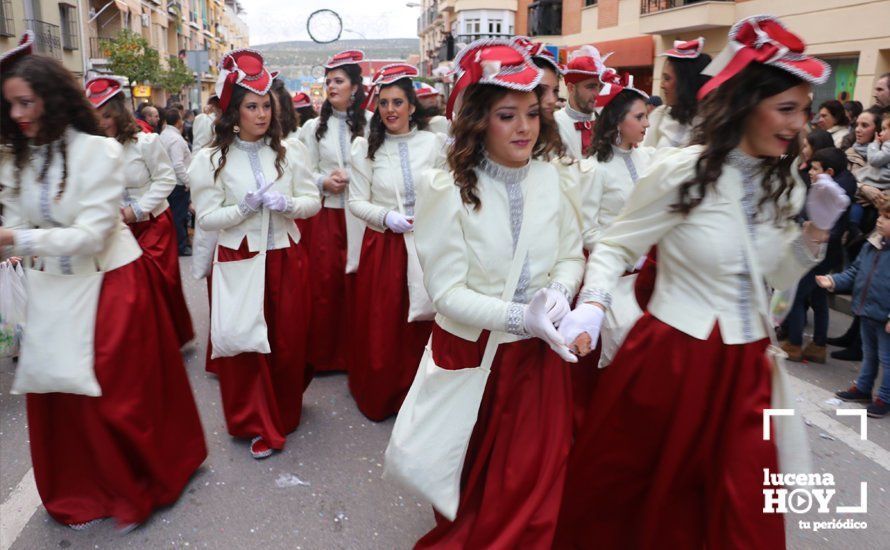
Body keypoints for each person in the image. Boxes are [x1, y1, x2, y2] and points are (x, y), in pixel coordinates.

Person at [554, 16, 848, 548]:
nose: (798, 123)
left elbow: (777, 284)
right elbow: (618, 245)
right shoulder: (679, 171)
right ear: (744, 104)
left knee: (744, 519)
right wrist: (593, 305)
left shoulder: (784, 185)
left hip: (748, 373)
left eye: (804, 109)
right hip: (671, 364)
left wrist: (816, 232)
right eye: (787, 108)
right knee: (637, 503)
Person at [0, 32, 206, 530]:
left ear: (52, 99)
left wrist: (16, 240)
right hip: (52, 289)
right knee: (60, 397)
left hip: (112, 284)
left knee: (117, 398)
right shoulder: (19, 160)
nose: (19, 114)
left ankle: (139, 480)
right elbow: (12, 214)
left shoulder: (99, 152)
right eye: (10, 105)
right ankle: (82, 485)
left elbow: (92, 236)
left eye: (26, 102)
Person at [412, 38, 584, 548]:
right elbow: (446, 293)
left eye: (533, 113)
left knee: (534, 486)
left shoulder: (557, 179)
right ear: (479, 120)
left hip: (540, 357)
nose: (525, 127)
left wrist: (557, 294)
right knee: (471, 483)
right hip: (475, 355)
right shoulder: (447, 189)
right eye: (508, 115)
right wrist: (520, 318)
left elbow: (572, 255)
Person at [190, 49, 321, 460]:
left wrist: (290, 206)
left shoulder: (291, 150)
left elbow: (312, 200)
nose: (262, 114)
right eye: (252, 106)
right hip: (240, 258)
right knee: (247, 346)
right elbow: (207, 218)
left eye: (266, 106)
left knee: (288, 340)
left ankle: (283, 411)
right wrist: (243, 208)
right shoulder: (210, 159)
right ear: (234, 110)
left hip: (286, 256)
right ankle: (256, 421)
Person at [347, 64, 445, 421]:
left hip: (425, 242)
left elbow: (448, 187)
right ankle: (382, 392)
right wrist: (385, 217)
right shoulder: (366, 149)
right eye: (384, 103)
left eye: (398, 102)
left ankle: (421, 396)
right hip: (385, 247)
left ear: (412, 106)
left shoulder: (432, 143)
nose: (390, 110)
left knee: (426, 319)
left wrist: (433, 216)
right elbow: (356, 201)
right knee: (384, 323)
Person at [564, 70, 654, 429]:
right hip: (610, 275)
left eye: (648, 116)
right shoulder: (594, 168)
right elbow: (586, 229)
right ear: (618, 121)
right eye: (640, 116)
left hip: (647, 274)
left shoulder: (647, 159)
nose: (647, 124)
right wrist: (628, 253)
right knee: (610, 354)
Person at [86, 77, 194, 347]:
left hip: (154, 226)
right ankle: (144, 344)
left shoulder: (146, 143)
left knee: (157, 283)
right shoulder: (92, 150)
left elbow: (166, 179)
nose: (103, 123)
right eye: (97, 117)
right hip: (117, 230)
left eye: (108, 116)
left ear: (120, 114)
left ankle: (167, 339)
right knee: (126, 290)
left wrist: (137, 209)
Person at [298, 50, 370, 373]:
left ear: (355, 86)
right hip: (327, 215)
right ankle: (327, 356)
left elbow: (378, 167)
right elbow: (301, 171)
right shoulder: (314, 128)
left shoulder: (372, 124)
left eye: (338, 81)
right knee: (326, 284)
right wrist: (323, 181)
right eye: (328, 81)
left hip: (363, 215)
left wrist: (353, 178)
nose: (331, 86)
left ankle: (357, 352)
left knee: (359, 284)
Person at [782, 147, 856, 363]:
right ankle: (818, 345)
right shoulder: (832, 188)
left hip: (816, 255)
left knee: (796, 297)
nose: (811, 173)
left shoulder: (831, 195)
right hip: (820, 254)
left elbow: (830, 231)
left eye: (815, 169)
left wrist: (811, 227)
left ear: (829, 172)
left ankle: (795, 344)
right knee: (818, 297)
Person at [822, 196, 890, 418]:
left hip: (885, 315)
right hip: (867, 309)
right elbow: (854, 272)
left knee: (887, 360)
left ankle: (885, 398)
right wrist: (833, 281)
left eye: (887, 217)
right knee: (869, 354)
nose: (879, 221)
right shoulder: (873, 244)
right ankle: (863, 388)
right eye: (880, 215)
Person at [643, 38, 712, 148]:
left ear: (686, 83)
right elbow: (645, 155)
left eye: (667, 78)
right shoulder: (660, 115)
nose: (661, 85)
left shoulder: (711, 124)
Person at [554, 45, 610, 159]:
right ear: (571, 88)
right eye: (591, 87)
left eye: (600, 87)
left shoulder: (605, 123)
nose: (598, 93)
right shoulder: (554, 124)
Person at [159, 107, 193, 256]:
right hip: (178, 184)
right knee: (179, 217)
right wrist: (188, 182)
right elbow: (178, 164)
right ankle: (180, 246)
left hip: (169, 181)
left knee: (174, 216)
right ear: (179, 121)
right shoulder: (176, 139)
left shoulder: (163, 135)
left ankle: (179, 243)